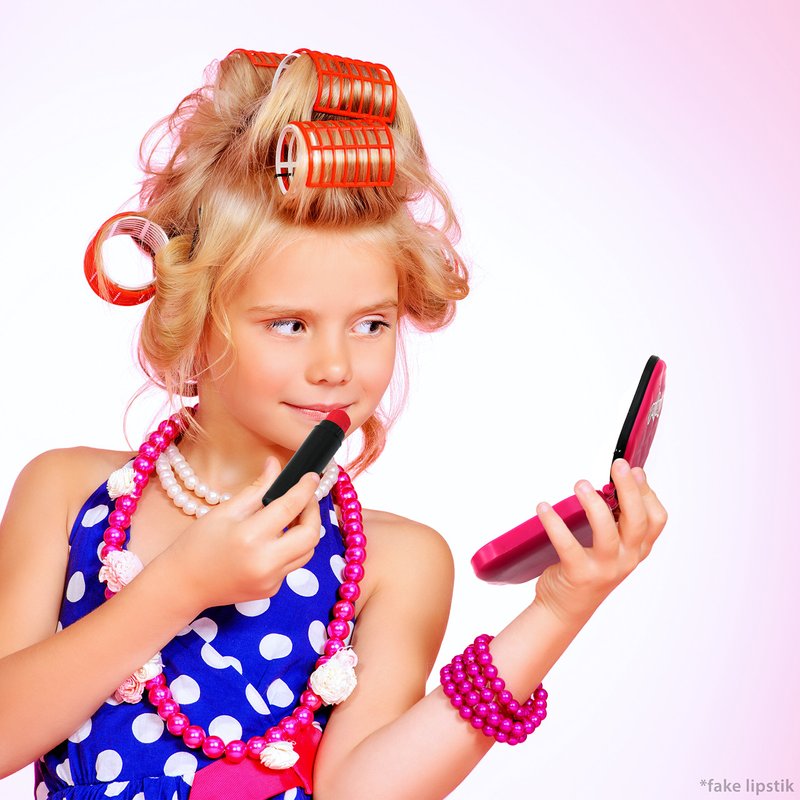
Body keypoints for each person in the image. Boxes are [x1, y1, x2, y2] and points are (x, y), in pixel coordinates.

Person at [0, 48, 668, 800]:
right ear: (197, 318)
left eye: (372, 324)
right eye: (289, 324)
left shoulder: (391, 561)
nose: (337, 367)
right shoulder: (68, 493)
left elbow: (364, 791)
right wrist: (179, 587)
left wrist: (559, 609)